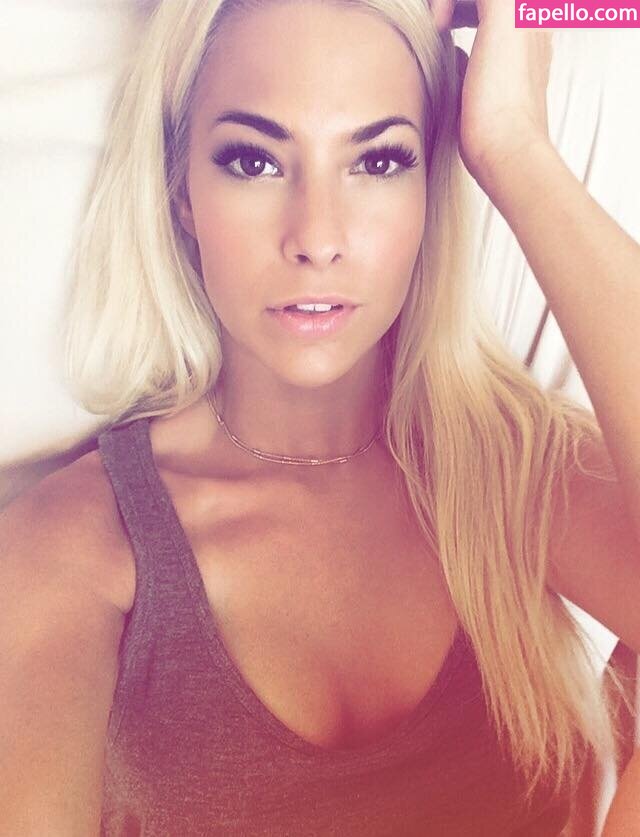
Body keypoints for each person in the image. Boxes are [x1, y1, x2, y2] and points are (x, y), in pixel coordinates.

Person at [2, 0, 639, 834]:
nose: (317, 237)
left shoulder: (518, 473)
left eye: (377, 161)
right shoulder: (76, 545)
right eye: (254, 161)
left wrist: (514, 146)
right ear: (182, 191)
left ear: (428, 188)